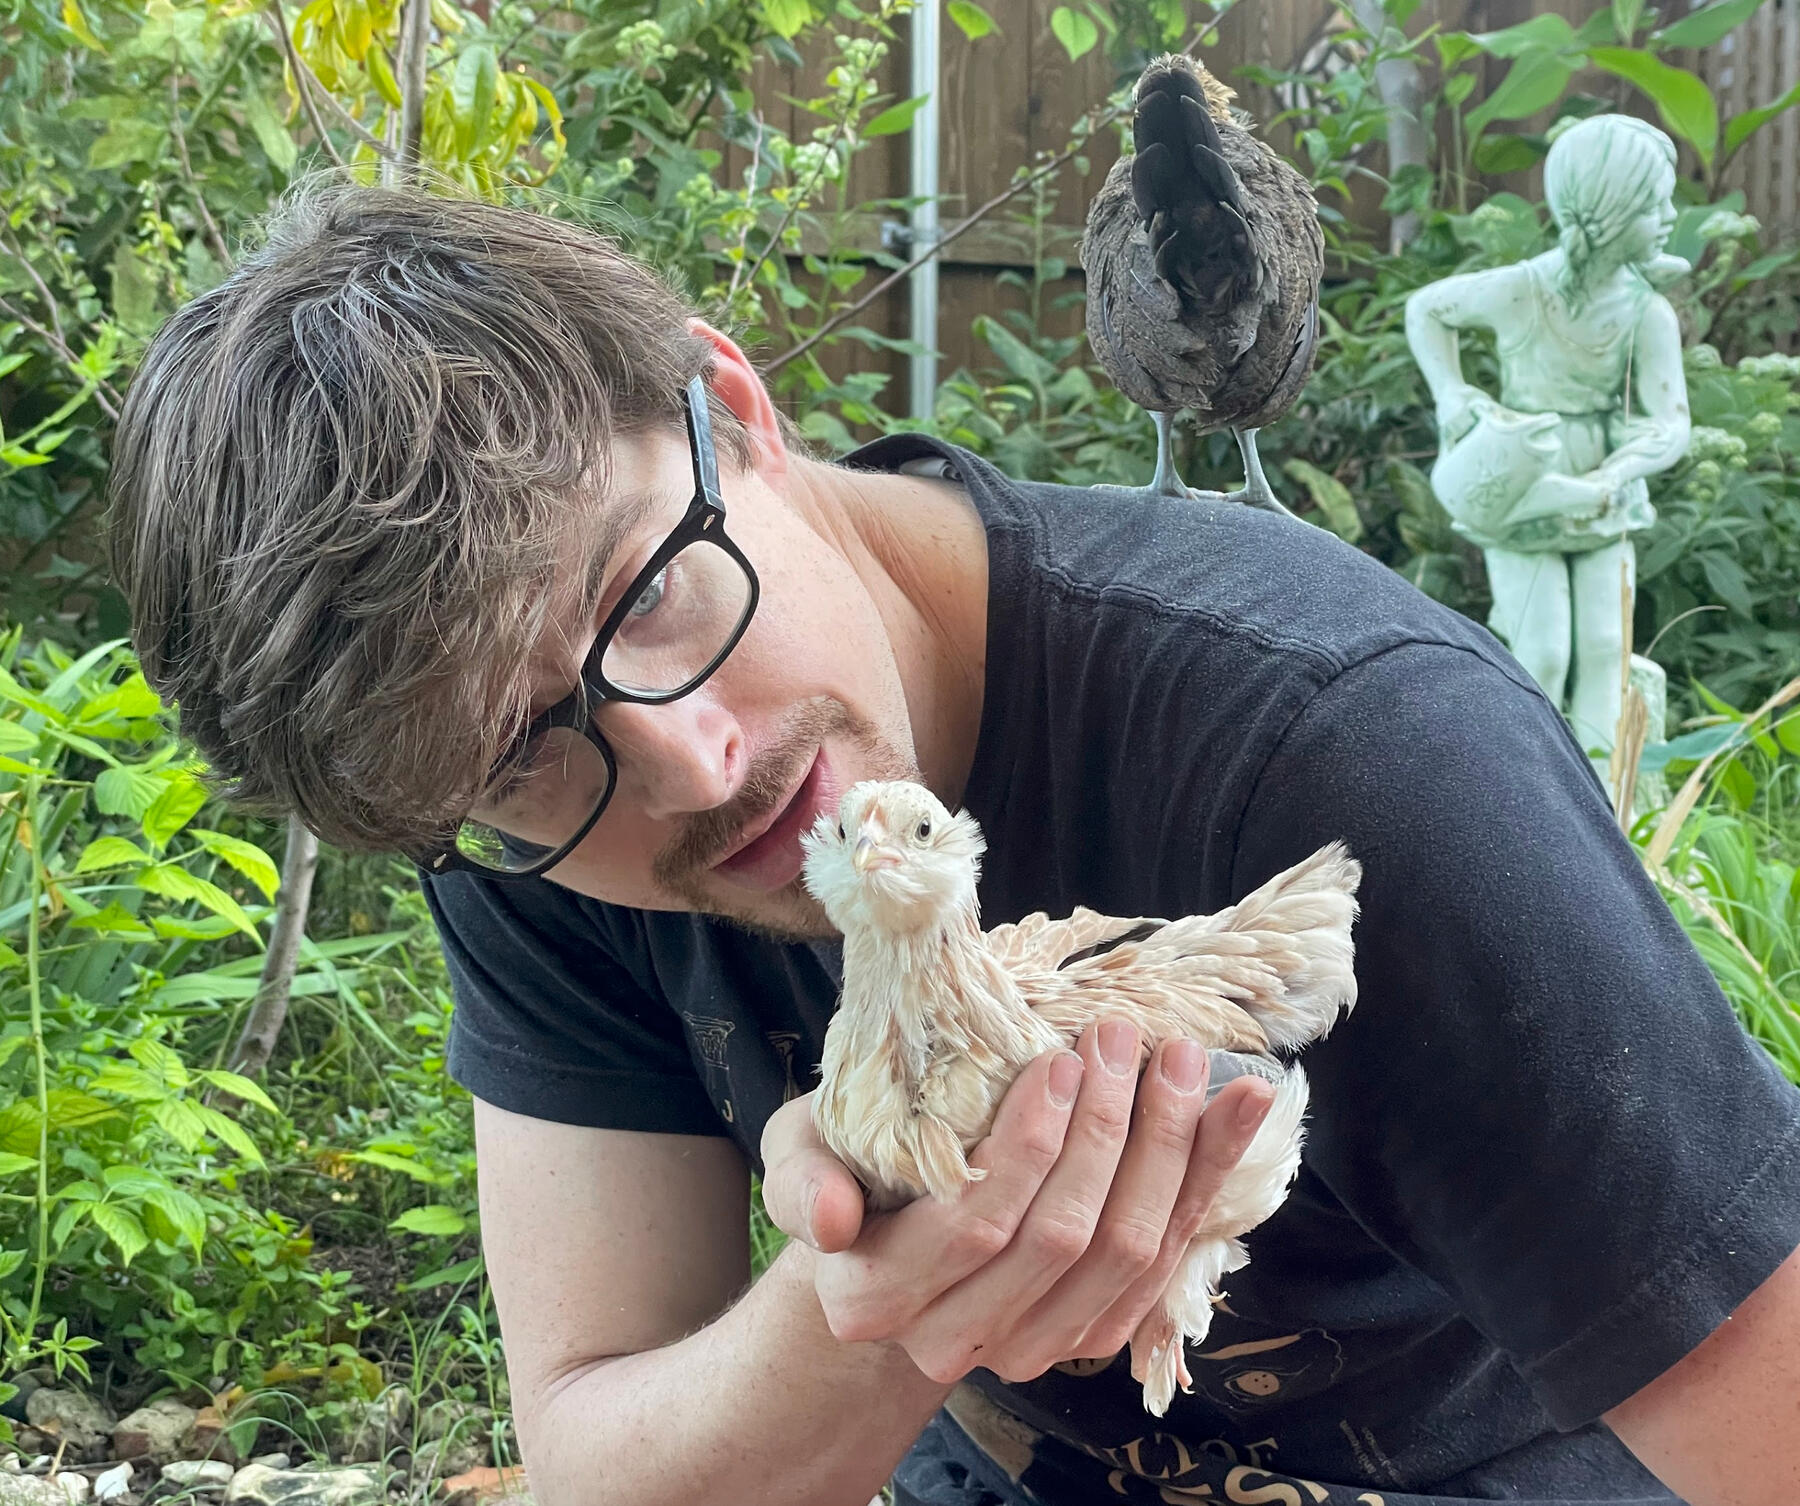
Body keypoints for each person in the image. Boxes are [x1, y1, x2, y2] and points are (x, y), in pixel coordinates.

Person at [107, 185, 1800, 1506]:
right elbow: (602, 1452)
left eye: (654, 588)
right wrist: (877, 1299)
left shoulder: (1337, 750)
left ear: (734, 409)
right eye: (527, 749)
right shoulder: (532, 841)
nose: (689, 760)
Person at [1405, 115, 1692, 758]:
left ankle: (1599, 802)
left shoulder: (1648, 313)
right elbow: (1427, 310)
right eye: (1655, 204)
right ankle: (1526, 787)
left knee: (1603, 646)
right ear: (1606, 212)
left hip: (1602, 484)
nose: (1673, 215)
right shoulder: (1522, 290)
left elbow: (1671, 420)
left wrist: (1613, 477)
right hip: (1523, 480)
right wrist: (1451, 392)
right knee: (1542, 649)